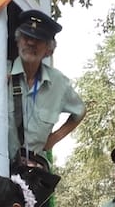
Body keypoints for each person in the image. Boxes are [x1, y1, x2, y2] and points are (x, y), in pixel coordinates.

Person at [7, 9, 86, 165]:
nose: (30, 43)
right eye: (26, 37)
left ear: (49, 49)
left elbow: (80, 111)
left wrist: (54, 139)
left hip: (32, 172)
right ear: (18, 40)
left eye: (38, 39)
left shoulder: (58, 83)